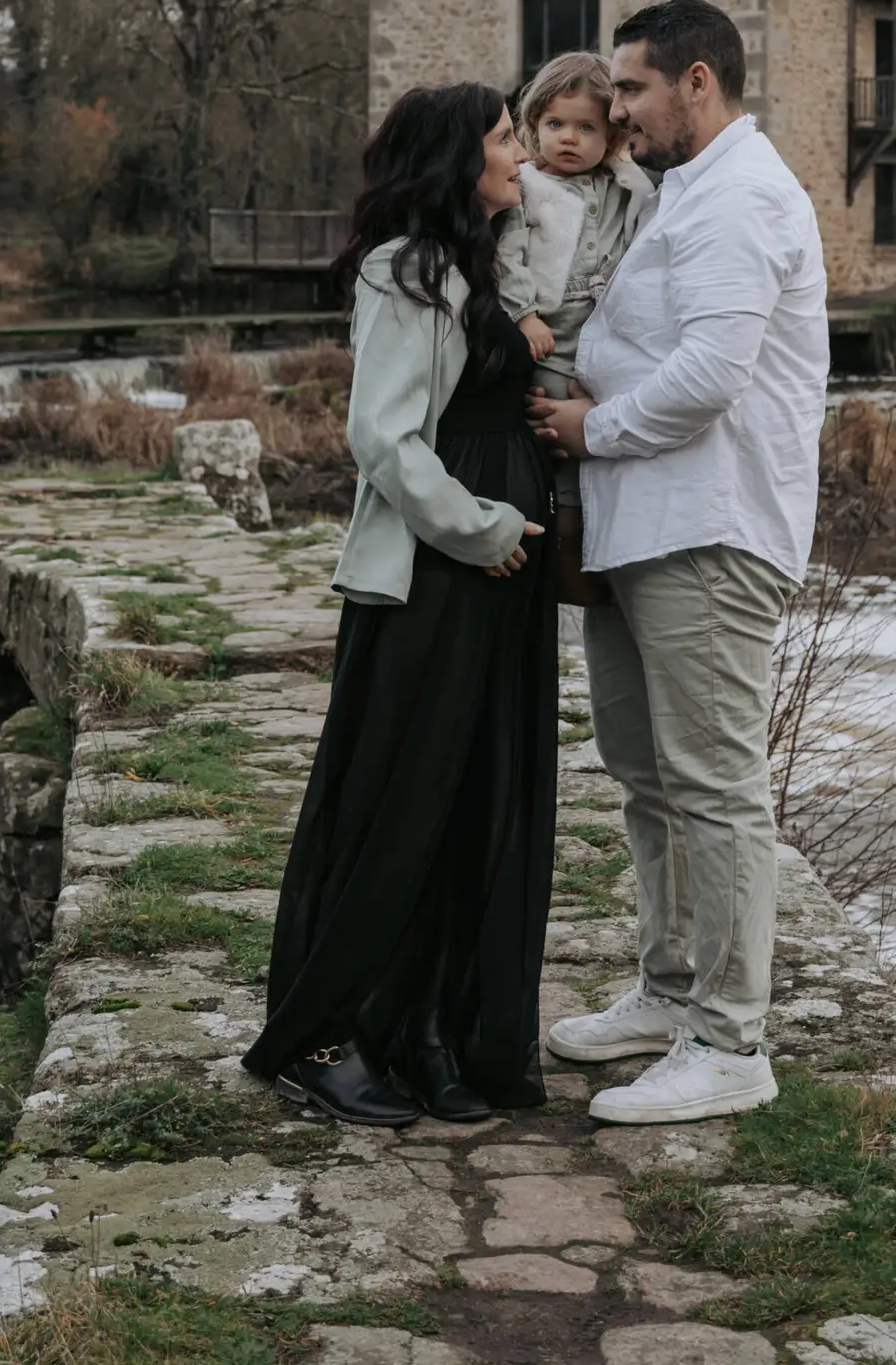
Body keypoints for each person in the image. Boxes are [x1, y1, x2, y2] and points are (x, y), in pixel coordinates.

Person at [534, 0, 829, 1126]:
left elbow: (710, 374)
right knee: (645, 774)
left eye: (633, 89)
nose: (614, 110)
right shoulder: (680, 194)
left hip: (705, 529)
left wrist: (587, 431)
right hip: (640, 530)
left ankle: (728, 1039)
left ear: (696, 82)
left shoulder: (742, 197)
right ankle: (666, 992)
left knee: (710, 784)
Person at [242, 83, 557, 1127]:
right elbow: (382, 437)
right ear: (456, 159)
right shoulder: (401, 271)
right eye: (507, 138)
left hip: (502, 578)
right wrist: (483, 530)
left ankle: (424, 1031)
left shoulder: (478, 264)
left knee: (474, 804)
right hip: (438, 572)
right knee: (396, 803)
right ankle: (317, 1035)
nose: (522, 153)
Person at [496, 51, 654, 604]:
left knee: (605, 443)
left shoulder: (623, 185)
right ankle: (564, 558)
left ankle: (602, 546)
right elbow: (508, 256)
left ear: (610, 137)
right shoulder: (527, 187)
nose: (569, 138)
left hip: (601, 341)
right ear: (534, 125)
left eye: (587, 127)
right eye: (555, 124)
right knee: (557, 446)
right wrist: (523, 313)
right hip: (548, 341)